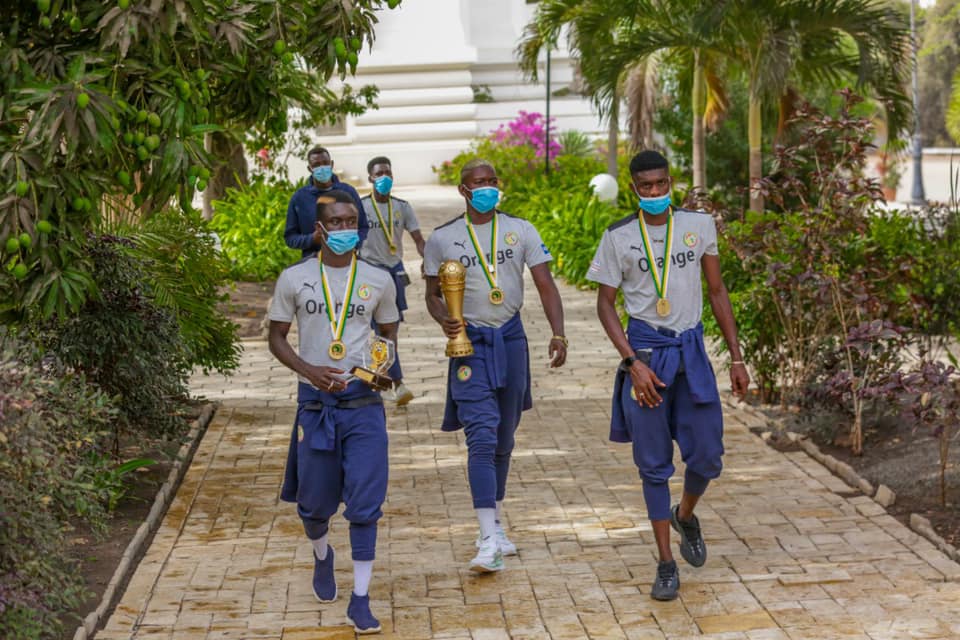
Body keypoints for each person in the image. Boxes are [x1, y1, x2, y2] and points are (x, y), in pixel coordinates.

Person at [586, 150, 749, 601]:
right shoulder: (618, 236)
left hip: (691, 351)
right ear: (634, 188)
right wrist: (631, 363)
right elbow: (605, 305)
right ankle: (665, 563)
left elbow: (717, 291)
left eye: (660, 185)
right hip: (647, 359)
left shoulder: (699, 226)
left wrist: (736, 357)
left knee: (708, 456)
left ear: (670, 181)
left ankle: (687, 514)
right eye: (645, 187)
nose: (654, 193)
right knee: (653, 465)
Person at [423, 158, 568, 573]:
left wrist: (558, 333)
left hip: (511, 338)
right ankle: (487, 538)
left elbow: (545, 284)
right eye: (477, 182)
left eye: (491, 181)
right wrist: (443, 318)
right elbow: (432, 294)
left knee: (504, 438)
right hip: (469, 344)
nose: (486, 187)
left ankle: (497, 523)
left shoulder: (520, 229)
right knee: (482, 438)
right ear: (462, 190)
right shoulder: (444, 238)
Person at [268, 189, 398, 634]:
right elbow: (277, 338)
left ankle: (360, 600)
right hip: (315, 405)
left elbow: (386, 338)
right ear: (319, 230)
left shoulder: (379, 280)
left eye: (351, 222)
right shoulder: (294, 278)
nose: (345, 230)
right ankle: (323, 555)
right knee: (314, 504)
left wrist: (376, 372)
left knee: (365, 503)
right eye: (336, 223)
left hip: (363, 407)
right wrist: (309, 370)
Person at [358, 156, 426, 406]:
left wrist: (427, 257)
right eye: (379, 174)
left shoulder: (402, 207)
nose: (384, 177)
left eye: (387, 172)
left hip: (393, 273)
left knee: (389, 328)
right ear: (370, 179)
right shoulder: (361, 207)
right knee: (376, 329)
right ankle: (389, 380)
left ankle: (387, 380)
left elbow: (418, 238)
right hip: (368, 272)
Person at [285, 146, 369, 256]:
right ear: (310, 168)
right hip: (313, 263)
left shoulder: (349, 192)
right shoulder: (300, 198)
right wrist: (312, 239)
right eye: (316, 165)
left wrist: (351, 244)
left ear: (332, 164)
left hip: (347, 260)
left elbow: (363, 227)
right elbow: (290, 238)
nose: (322, 168)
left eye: (325, 163)